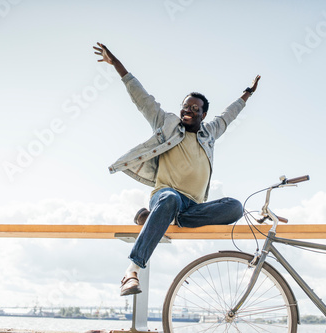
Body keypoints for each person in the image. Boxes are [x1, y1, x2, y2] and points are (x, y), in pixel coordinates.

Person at [93, 42, 261, 296]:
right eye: (186, 106)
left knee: (235, 206)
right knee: (170, 198)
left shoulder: (210, 133)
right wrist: (116, 64)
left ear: (203, 115)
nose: (188, 111)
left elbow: (229, 115)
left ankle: (162, 219)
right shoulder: (168, 124)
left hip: (193, 207)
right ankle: (131, 271)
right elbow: (141, 97)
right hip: (165, 195)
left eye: (195, 108)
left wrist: (247, 93)